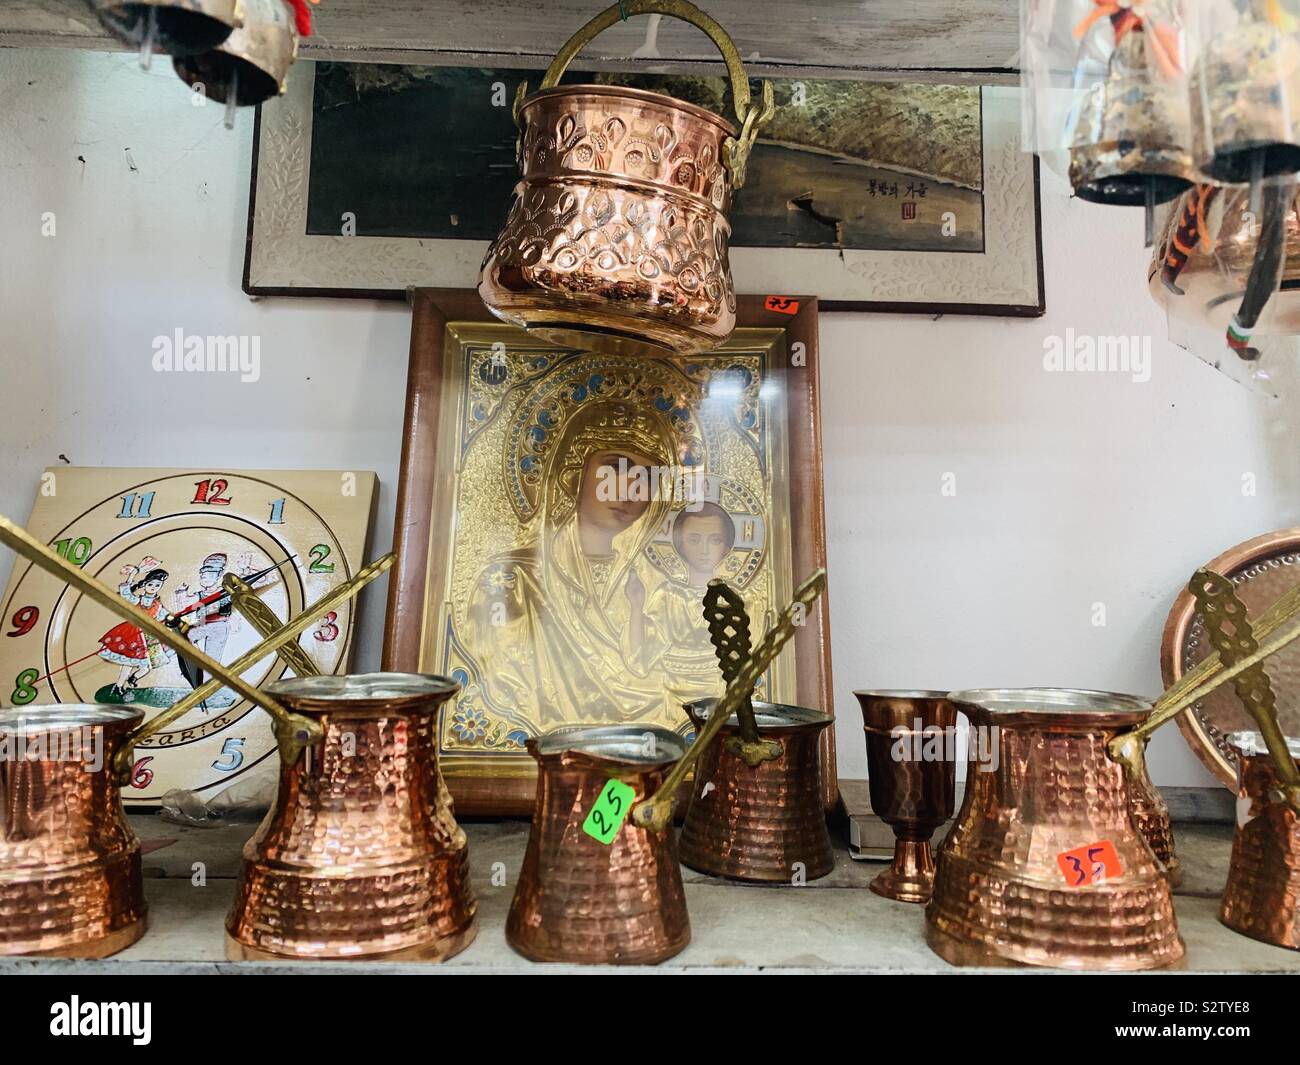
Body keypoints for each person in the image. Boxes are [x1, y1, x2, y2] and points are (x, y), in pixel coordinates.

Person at [466, 399, 678, 731]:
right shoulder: (513, 581)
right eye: (615, 469)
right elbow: (504, 688)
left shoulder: (655, 586)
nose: (629, 489)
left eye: (647, 477)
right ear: (573, 474)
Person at [98, 563, 172, 697]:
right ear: (144, 585)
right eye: (150, 585)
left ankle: (132, 678)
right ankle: (119, 686)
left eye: (157, 585)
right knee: (128, 664)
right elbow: (125, 591)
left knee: (146, 667)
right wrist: (135, 572)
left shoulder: (158, 605)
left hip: (148, 638)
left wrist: (172, 620)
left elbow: (165, 617)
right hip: (133, 634)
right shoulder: (136, 600)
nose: (153, 588)